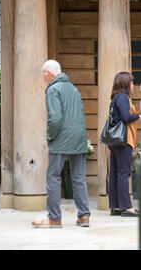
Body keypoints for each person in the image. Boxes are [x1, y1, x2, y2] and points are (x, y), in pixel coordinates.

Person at [32, 60, 91, 228]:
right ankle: (84, 216)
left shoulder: (53, 89)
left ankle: (54, 218)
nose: (43, 77)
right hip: (79, 139)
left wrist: (50, 136)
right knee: (79, 179)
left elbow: (55, 118)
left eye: (44, 73)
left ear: (51, 73)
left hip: (61, 140)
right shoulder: (74, 89)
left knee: (53, 178)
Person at [108, 72, 141, 217]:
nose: (133, 85)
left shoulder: (114, 97)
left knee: (115, 173)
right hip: (123, 140)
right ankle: (126, 207)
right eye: (131, 82)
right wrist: (139, 117)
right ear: (126, 83)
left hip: (115, 140)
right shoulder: (123, 97)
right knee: (124, 173)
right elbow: (126, 117)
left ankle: (115, 206)